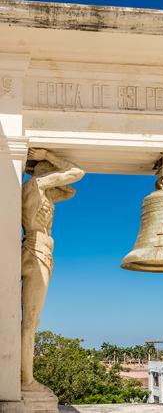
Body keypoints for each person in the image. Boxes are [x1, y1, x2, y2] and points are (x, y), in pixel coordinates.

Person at [21, 148, 85, 392]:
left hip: (38, 250)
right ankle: (26, 381)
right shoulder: (36, 184)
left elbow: (70, 191)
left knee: (30, 321)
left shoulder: (38, 191)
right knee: (30, 322)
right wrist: (48, 155)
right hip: (38, 250)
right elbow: (76, 173)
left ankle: (25, 376)